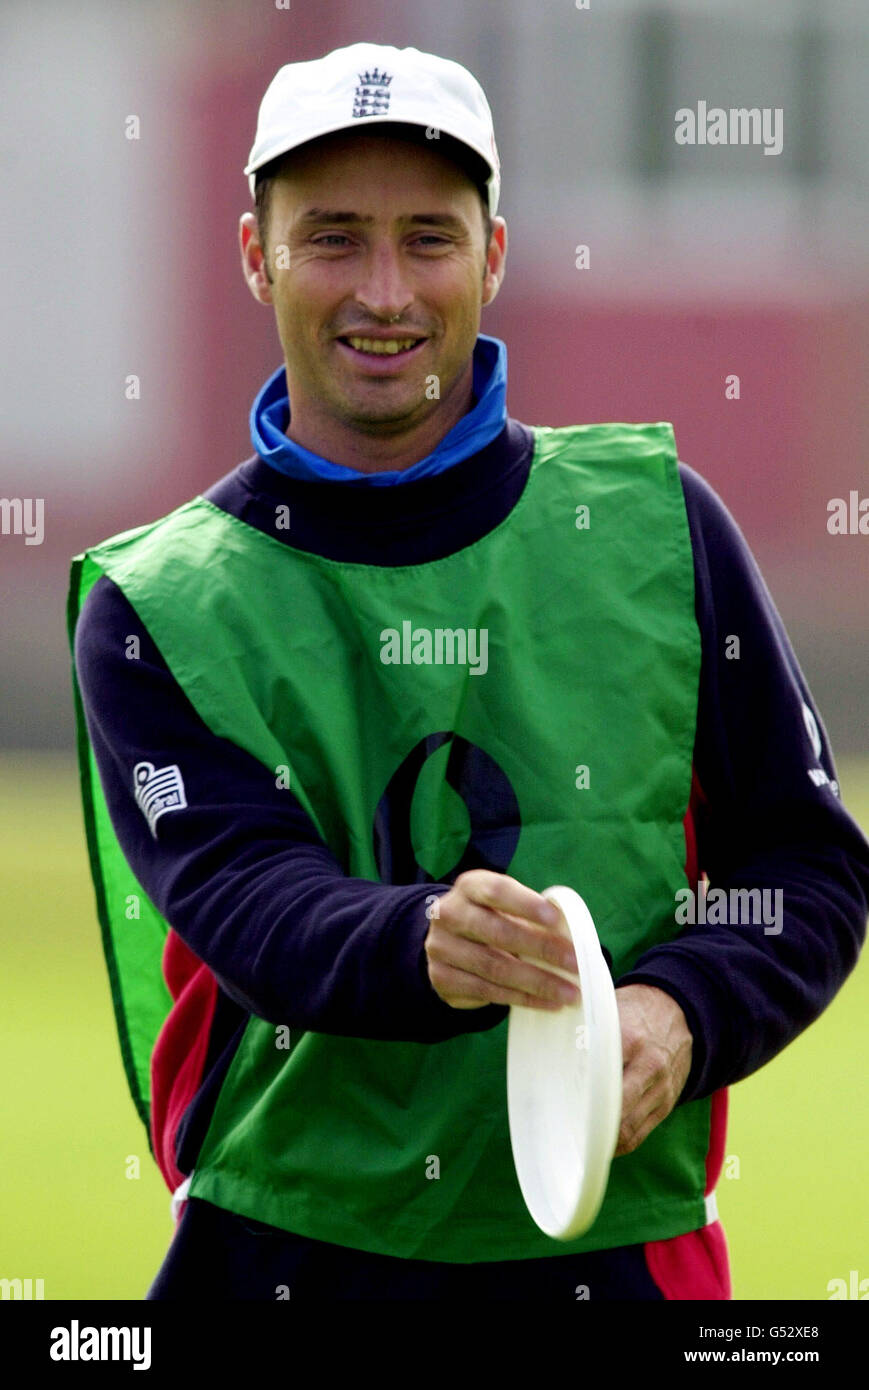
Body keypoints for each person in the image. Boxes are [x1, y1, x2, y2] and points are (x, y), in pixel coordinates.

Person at [68, 42, 868, 1301]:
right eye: (331, 237)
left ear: (492, 256)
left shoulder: (662, 525)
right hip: (278, 1258)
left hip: (614, 1256)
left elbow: (806, 870)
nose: (383, 293)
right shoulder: (153, 604)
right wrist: (419, 938)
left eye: (428, 240)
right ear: (253, 255)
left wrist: (683, 1011)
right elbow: (242, 898)